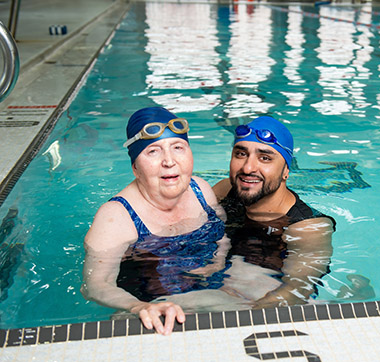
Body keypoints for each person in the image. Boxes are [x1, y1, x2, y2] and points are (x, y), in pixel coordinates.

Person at [82, 107, 232, 335]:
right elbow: (95, 286)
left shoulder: (200, 189)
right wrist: (139, 306)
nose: (169, 161)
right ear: (135, 167)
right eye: (153, 151)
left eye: (178, 148)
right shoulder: (115, 216)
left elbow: (221, 233)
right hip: (154, 305)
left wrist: (219, 260)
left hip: (212, 287)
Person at [213, 116, 339, 307]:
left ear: (286, 171)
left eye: (265, 158)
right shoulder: (226, 191)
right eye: (241, 154)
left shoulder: (307, 227)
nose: (248, 168)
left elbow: (295, 290)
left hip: (266, 290)